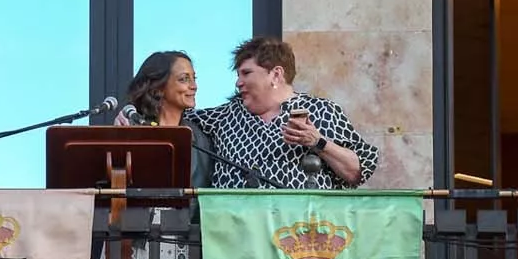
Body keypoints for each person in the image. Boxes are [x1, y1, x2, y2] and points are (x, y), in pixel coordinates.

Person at [189, 36, 378, 189]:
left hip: (301, 230)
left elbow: (357, 172)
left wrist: (318, 142)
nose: (238, 82)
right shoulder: (223, 116)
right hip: (237, 229)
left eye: (246, 73)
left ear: (276, 74)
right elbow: (173, 120)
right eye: (238, 75)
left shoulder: (322, 111)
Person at [121, 50, 212, 188]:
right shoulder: (132, 130)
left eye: (194, 78)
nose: (194, 86)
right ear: (158, 88)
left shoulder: (200, 138)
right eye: (184, 79)